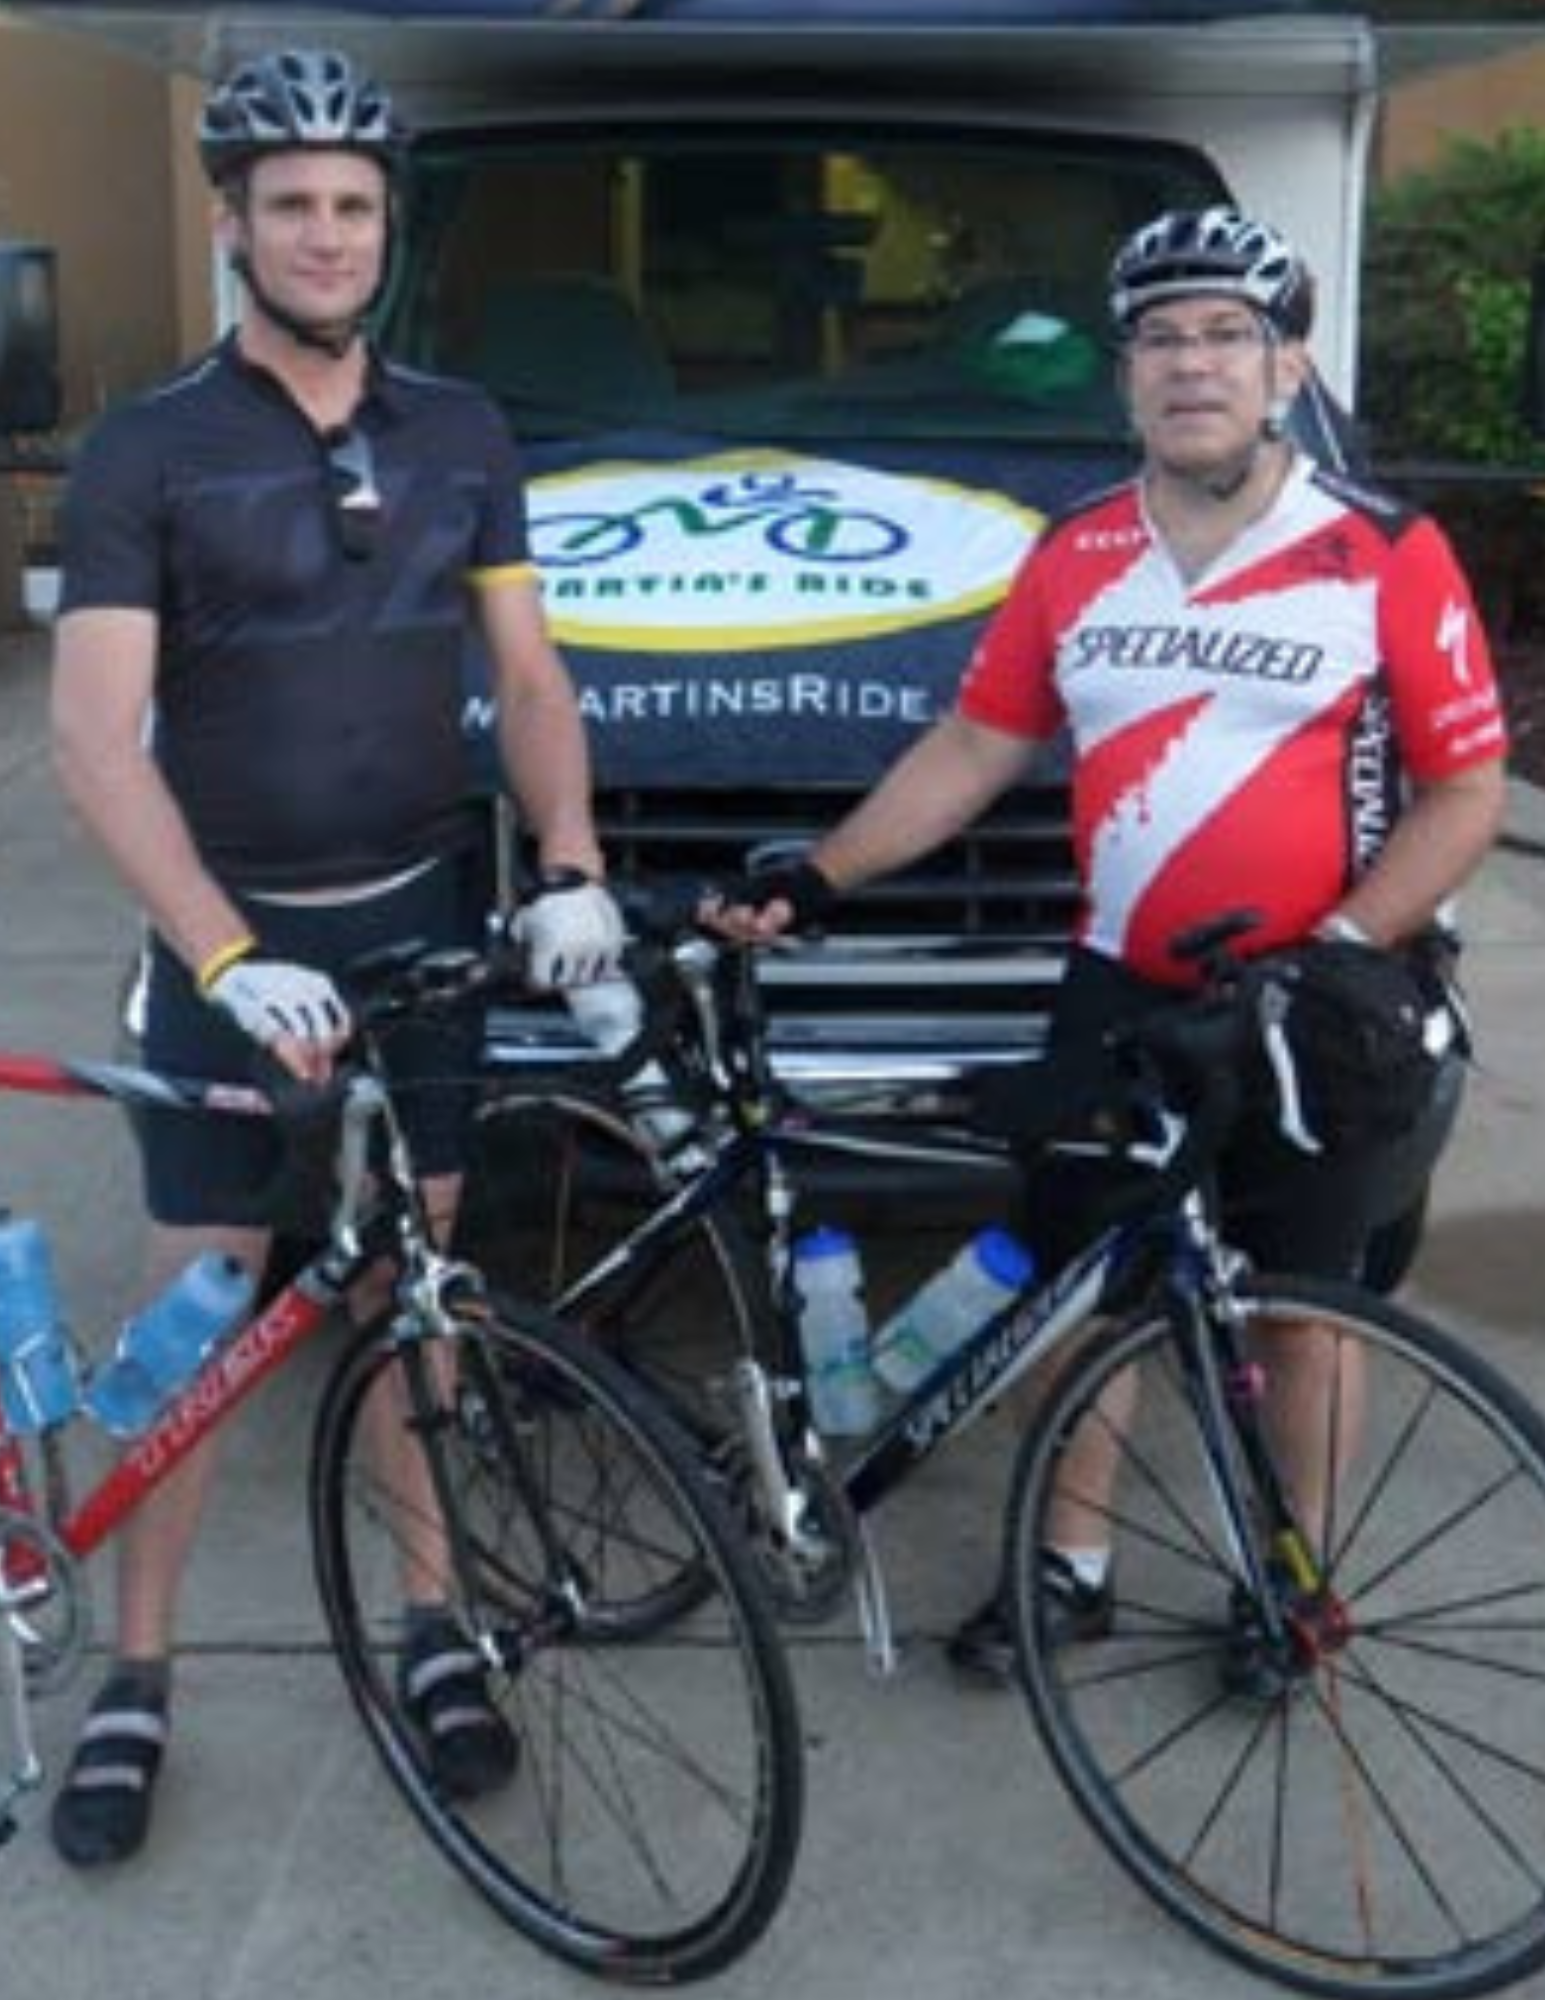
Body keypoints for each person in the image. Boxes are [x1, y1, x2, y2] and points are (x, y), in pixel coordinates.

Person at [712, 206, 1509, 1685]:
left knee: (1308, 1307)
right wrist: (820, 877)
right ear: (1126, 374)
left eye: (1226, 336)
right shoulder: (1076, 556)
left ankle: (1294, 1584)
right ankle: (1069, 1566)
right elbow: (973, 744)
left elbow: (1467, 792)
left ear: (1285, 368)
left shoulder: (1384, 552)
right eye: (1161, 339)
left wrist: (1339, 944)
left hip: (1318, 999)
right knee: (1074, 1284)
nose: (1192, 364)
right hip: (1121, 985)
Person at [47, 47, 623, 1864]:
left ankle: (434, 1626)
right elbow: (92, 740)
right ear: (230, 223)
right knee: (200, 1317)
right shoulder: (149, 444)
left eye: (352, 205)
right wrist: (220, 953)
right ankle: (139, 1673)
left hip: (423, 929)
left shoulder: (460, 431)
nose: (321, 233)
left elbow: (528, 679)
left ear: (391, 230)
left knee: (418, 1299)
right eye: (286, 202)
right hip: (239, 947)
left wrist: (576, 867)